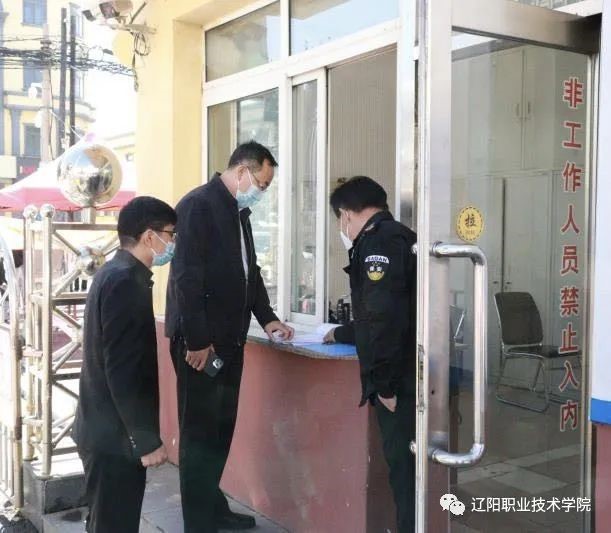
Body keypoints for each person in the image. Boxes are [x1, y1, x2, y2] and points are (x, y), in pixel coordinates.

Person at [166, 141, 295, 532]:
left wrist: (268, 319)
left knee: (220, 430)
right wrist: (197, 341)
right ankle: (198, 522)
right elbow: (186, 278)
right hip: (201, 345)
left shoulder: (239, 213)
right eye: (262, 183)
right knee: (199, 435)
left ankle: (214, 507)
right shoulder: (198, 207)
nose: (263, 192)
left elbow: (248, 273)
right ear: (242, 172)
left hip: (229, 342)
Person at [73, 196, 176, 533]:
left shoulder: (116, 273)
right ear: (149, 236)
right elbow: (123, 370)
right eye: (170, 234)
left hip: (107, 431)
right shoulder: (125, 282)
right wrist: (145, 439)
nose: (173, 243)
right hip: (113, 439)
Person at [324, 176, 417, 532]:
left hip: (399, 379)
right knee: (407, 465)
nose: (341, 227)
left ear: (346, 214)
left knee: (402, 466)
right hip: (410, 368)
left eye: (340, 219)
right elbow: (381, 312)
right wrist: (342, 332)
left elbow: (383, 318)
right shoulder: (400, 236)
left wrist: (385, 384)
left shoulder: (377, 243)